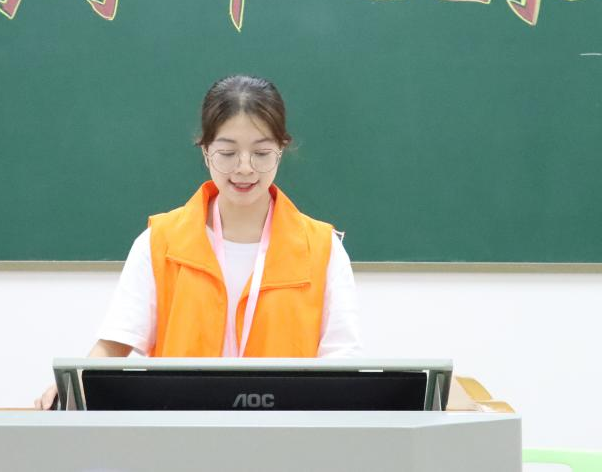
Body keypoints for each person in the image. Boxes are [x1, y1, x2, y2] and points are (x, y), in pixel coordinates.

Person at [34, 74, 360, 409]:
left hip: (286, 434)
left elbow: (342, 364)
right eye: (227, 153)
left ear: (281, 149)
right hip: (181, 431)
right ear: (205, 151)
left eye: (261, 153)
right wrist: (69, 389)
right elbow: (114, 345)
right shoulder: (160, 242)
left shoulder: (323, 249)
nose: (244, 168)